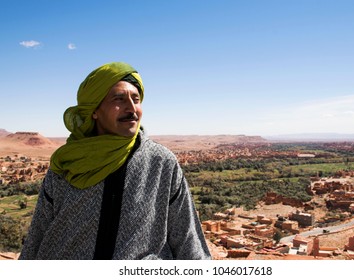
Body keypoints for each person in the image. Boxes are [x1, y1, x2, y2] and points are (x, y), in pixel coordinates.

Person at [19, 62, 211, 260]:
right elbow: (38, 235)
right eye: (119, 99)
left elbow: (188, 240)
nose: (131, 108)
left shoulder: (161, 163)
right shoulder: (68, 163)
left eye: (136, 99)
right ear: (94, 110)